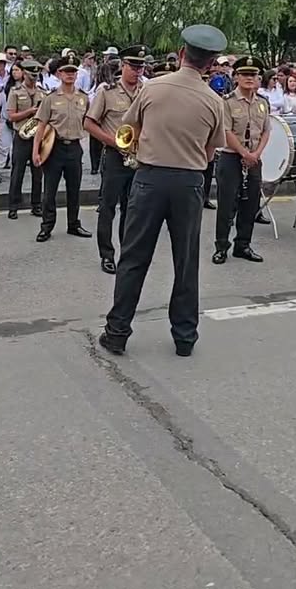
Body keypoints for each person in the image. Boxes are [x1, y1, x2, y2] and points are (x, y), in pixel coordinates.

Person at [99, 24, 227, 359]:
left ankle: (117, 333)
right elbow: (211, 153)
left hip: (149, 179)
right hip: (189, 183)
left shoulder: (151, 88)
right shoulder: (214, 101)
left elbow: (129, 128)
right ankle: (185, 337)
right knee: (186, 262)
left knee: (133, 258)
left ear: (182, 53)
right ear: (211, 63)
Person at [85, 44, 146, 274]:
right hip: (114, 156)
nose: (137, 71)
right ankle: (107, 254)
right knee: (108, 207)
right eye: (133, 66)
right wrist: (113, 142)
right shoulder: (107, 91)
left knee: (133, 210)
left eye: (141, 67)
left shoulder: (146, 91)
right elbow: (89, 123)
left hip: (139, 157)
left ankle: (127, 253)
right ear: (123, 65)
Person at [213, 57, 270, 266]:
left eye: (253, 74)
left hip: (254, 159)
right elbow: (226, 131)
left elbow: (266, 131)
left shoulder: (262, 103)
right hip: (231, 157)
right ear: (236, 77)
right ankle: (221, 247)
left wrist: (256, 154)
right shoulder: (227, 102)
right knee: (227, 205)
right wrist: (244, 153)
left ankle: (243, 245)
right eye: (245, 74)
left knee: (250, 204)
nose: (249, 78)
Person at [32, 53, 92, 243]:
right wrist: (36, 151)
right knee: (50, 191)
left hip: (74, 148)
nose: (70, 74)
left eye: (73, 71)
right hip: (54, 148)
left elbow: (89, 122)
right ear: (59, 73)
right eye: (66, 71)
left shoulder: (83, 98)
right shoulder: (50, 98)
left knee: (74, 189)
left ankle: (73, 224)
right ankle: (46, 226)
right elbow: (41, 126)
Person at [7, 59, 45, 220]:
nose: (33, 79)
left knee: (38, 173)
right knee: (18, 172)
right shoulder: (15, 92)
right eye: (31, 75)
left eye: (36, 76)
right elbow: (11, 116)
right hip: (21, 136)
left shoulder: (42, 92)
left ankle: (36, 205)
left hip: (37, 136)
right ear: (24, 74)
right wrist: (30, 111)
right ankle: (13, 206)